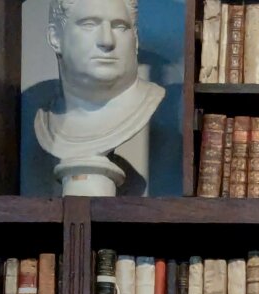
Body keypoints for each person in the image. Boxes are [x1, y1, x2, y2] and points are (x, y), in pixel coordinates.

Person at [35, 0, 164, 192]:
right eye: (89, 24)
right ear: (55, 37)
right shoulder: (44, 118)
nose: (107, 41)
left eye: (120, 26)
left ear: (135, 40)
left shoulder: (151, 99)